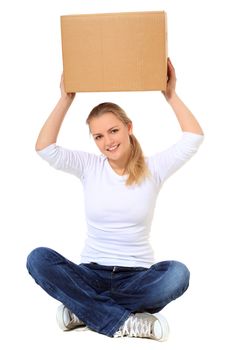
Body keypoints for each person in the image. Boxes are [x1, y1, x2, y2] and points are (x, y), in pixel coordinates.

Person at [26, 58, 204, 340]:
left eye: (113, 131)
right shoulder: (89, 167)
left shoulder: (153, 168)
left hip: (137, 278)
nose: (107, 141)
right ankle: (123, 320)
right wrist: (65, 99)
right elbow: (45, 148)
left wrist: (171, 95)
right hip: (90, 274)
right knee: (38, 259)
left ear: (128, 127)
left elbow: (193, 138)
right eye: (98, 136)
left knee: (177, 275)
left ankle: (84, 309)